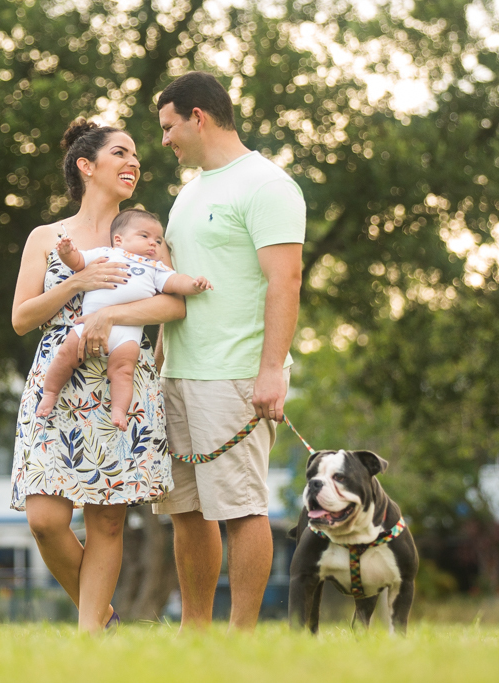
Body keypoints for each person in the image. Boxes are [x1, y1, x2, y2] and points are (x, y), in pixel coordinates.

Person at [10, 119, 183, 633]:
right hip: (57, 386)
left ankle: (89, 639)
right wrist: (79, 282)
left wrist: (112, 317)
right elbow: (22, 318)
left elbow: (174, 306)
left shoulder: (147, 236)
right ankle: (103, 614)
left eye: (136, 156)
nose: (134, 162)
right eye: (120, 153)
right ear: (86, 166)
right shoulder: (47, 236)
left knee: (107, 519)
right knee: (45, 520)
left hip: (120, 383)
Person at [151, 72, 306, 631]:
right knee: (187, 513)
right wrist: (160, 364)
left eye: (169, 127)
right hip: (180, 375)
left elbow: (285, 281)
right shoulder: (190, 192)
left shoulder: (266, 185)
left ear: (198, 116)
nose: (164, 139)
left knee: (241, 509)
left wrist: (271, 373)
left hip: (236, 377)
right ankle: (197, 635)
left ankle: (241, 637)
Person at [36, 209, 211, 429]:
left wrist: (194, 284)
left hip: (127, 333)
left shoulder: (156, 268)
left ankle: (119, 410)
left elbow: (176, 282)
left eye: (158, 240)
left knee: (124, 371)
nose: (153, 244)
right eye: (144, 236)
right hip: (88, 325)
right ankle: (50, 392)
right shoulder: (106, 253)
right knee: (65, 355)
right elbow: (78, 261)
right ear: (119, 240)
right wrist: (66, 252)